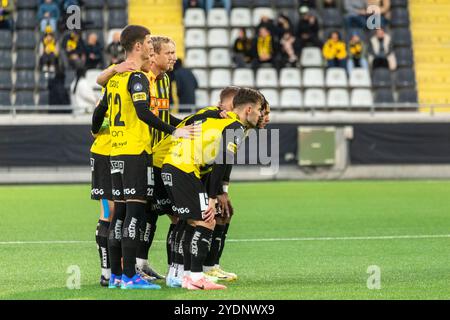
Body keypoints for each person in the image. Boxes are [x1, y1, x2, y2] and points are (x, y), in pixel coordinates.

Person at [92, 25, 195, 289]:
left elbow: (98, 112)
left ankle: (115, 275)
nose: (150, 45)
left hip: (115, 151)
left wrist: (97, 132)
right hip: (136, 152)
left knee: (119, 215)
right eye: (148, 41)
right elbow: (143, 113)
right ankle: (130, 277)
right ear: (138, 46)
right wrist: (174, 131)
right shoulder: (136, 77)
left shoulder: (115, 78)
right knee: (135, 215)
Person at [161, 88, 264, 290]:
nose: (261, 115)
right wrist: (212, 198)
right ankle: (196, 278)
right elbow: (221, 164)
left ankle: (188, 276)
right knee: (206, 221)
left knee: (192, 221)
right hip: (184, 168)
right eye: (260, 110)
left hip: (174, 164)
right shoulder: (234, 126)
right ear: (249, 109)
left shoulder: (221, 120)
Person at [90, 90, 115, 287]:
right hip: (104, 156)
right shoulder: (106, 98)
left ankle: (122, 268)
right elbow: (95, 130)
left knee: (123, 211)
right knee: (108, 211)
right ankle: (106, 272)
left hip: (124, 155)